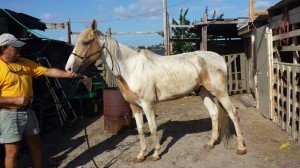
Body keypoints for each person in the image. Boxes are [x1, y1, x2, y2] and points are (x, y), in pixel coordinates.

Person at [0, 33, 85, 168]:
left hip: (28, 111)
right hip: (9, 114)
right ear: (5, 49)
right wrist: (13, 100)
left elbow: (49, 72)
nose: (19, 50)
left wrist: (69, 75)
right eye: (15, 47)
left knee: (36, 145)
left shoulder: (24, 63)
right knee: (12, 152)